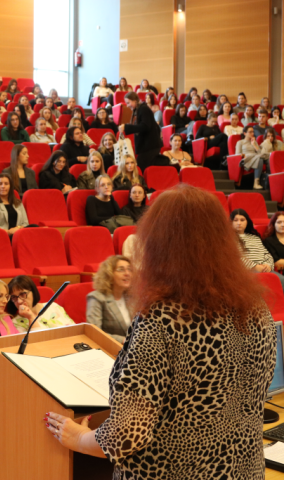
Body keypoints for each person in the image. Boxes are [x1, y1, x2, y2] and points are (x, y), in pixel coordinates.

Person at [46, 184, 277, 479]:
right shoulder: (256, 308)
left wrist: (78, 438)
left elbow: (128, 433)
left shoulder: (162, 320)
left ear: (158, 244)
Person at [85, 255, 133, 343]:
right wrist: (123, 340)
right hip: (111, 350)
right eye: (121, 269)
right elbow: (95, 333)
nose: (127, 273)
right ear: (109, 274)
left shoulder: (132, 297)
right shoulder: (97, 298)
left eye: (129, 269)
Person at [6, 275, 74, 333]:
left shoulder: (54, 306)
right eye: (14, 297)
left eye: (23, 294)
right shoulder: (15, 323)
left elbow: (74, 329)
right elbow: (38, 343)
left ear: (33, 292)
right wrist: (31, 317)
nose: (19, 301)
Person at [119, 92, 162, 171]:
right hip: (147, 146)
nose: (127, 105)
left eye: (128, 102)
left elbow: (145, 126)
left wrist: (126, 127)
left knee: (142, 169)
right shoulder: (139, 109)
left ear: (135, 100)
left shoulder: (143, 109)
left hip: (149, 146)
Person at [232, 208, 277, 277]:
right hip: (245, 272)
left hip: (264, 270)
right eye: (235, 220)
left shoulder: (255, 237)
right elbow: (234, 257)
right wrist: (255, 267)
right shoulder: (228, 238)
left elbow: (266, 254)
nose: (239, 223)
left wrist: (268, 265)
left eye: (242, 220)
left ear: (247, 222)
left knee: (281, 280)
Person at [235, 125, 267, 190]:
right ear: (245, 133)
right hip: (247, 159)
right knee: (260, 158)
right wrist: (244, 155)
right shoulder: (240, 142)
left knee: (265, 157)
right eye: (250, 132)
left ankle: (267, 180)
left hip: (255, 157)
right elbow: (237, 154)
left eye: (253, 132)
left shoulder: (254, 142)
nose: (252, 133)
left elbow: (259, 153)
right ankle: (256, 183)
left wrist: (254, 144)